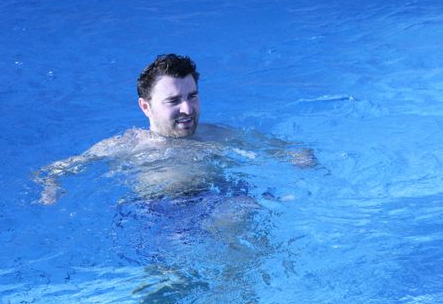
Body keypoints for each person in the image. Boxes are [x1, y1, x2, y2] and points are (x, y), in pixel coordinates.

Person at [34, 53, 315, 205]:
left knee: (241, 207)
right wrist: (51, 187)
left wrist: (301, 160)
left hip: (223, 201)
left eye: (192, 96)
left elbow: (288, 149)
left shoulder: (217, 134)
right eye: (173, 100)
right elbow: (52, 171)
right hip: (162, 215)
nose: (187, 109)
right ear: (145, 107)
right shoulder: (128, 146)